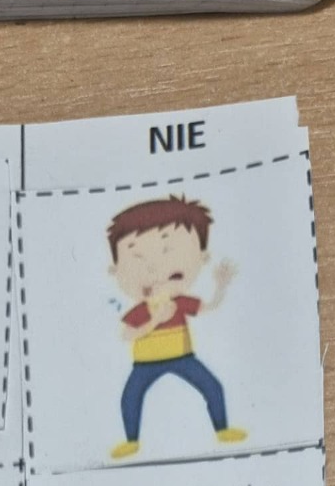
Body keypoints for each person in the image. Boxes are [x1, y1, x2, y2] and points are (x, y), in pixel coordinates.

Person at [105, 196, 247, 460]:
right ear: (116, 270)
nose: (154, 270)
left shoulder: (180, 302)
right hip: (145, 363)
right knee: (130, 398)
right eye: (137, 258)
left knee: (212, 387)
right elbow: (127, 334)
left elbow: (210, 307)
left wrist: (221, 286)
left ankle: (223, 429)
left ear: (202, 257)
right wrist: (154, 321)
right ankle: (131, 441)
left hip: (183, 357)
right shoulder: (141, 310)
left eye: (169, 254)